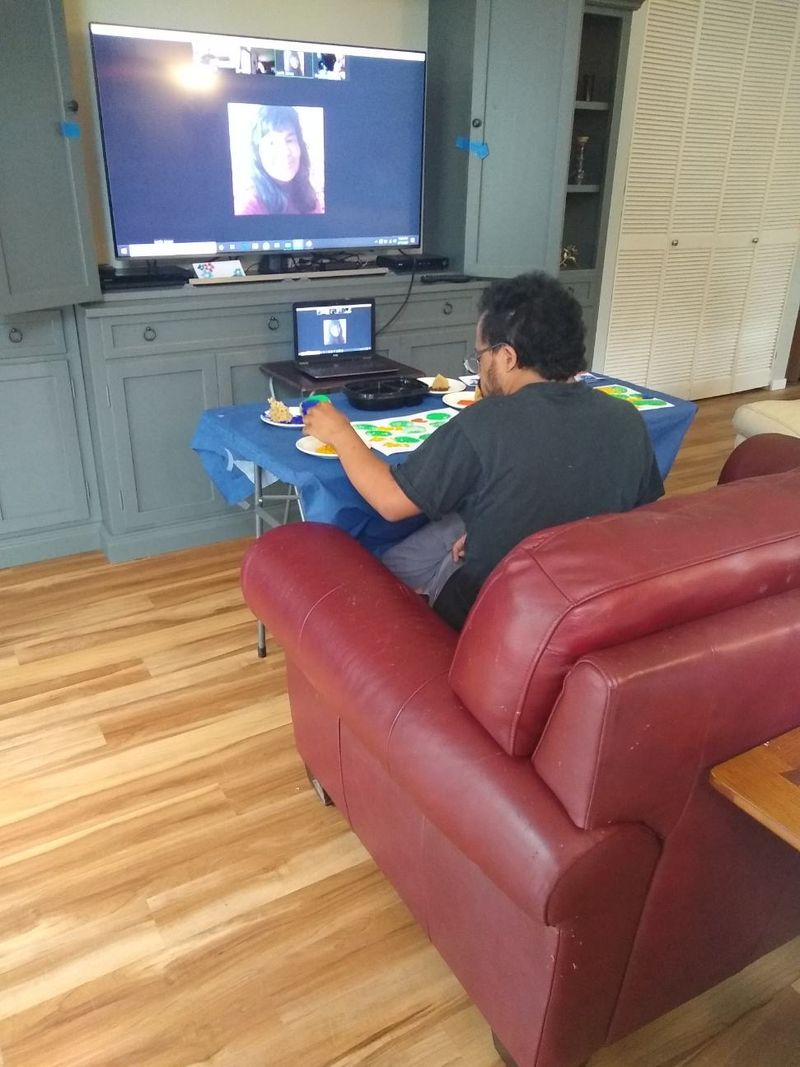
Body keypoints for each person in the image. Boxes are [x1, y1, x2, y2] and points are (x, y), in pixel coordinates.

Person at [303, 271, 664, 630]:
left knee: (384, 568)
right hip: (587, 602)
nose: (479, 371)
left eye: (480, 357)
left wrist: (341, 432)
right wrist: (496, 532)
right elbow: (631, 518)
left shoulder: (485, 422)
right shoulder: (626, 417)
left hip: (497, 610)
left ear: (506, 356)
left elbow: (390, 501)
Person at [236, 105, 322, 216]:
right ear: (257, 153)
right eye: (272, 143)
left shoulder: (308, 196)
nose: (285, 152)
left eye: (290, 140)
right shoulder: (249, 207)